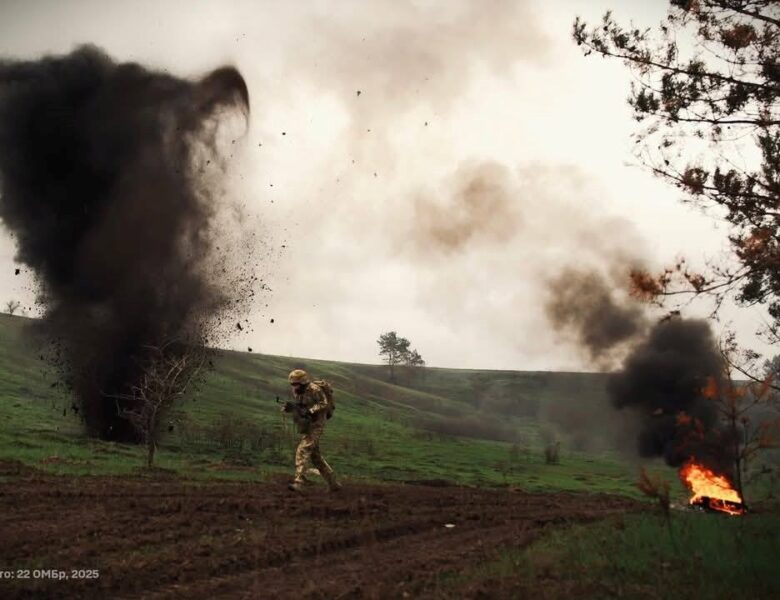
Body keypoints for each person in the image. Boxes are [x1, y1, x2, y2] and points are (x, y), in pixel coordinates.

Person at [283, 369, 341, 493]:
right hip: (309, 425)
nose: (293, 386)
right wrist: (291, 408)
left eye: (296, 384)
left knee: (303, 450)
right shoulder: (298, 392)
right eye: (292, 384)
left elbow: (323, 403)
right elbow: (301, 407)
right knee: (315, 457)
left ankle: (300, 482)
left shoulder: (315, 389)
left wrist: (311, 411)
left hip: (317, 424)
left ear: (303, 382)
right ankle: (333, 483)